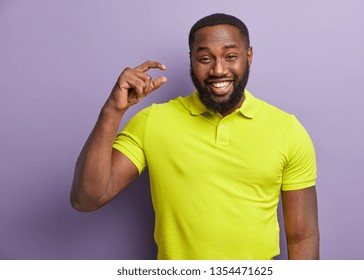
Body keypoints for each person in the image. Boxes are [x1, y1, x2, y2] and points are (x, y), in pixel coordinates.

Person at [71, 13, 319, 260]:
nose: (218, 69)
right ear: (192, 60)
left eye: (231, 56)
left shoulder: (287, 129)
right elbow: (87, 198)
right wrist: (113, 110)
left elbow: (303, 235)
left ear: (249, 56)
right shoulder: (153, 122)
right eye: (205, 58)